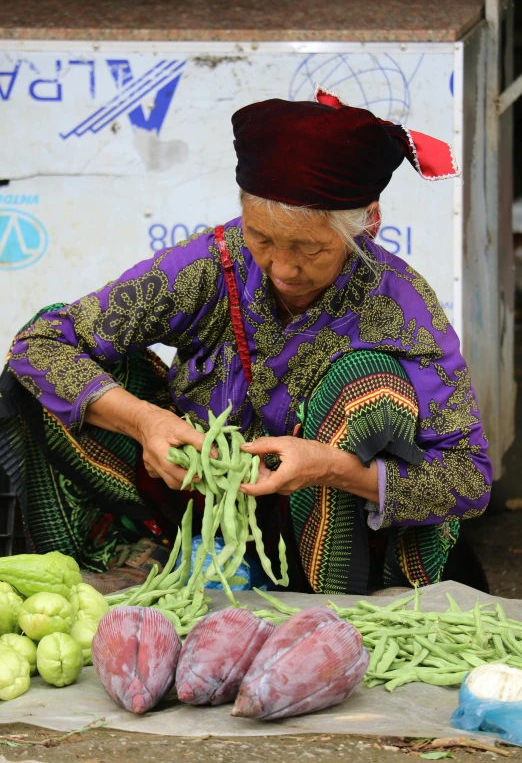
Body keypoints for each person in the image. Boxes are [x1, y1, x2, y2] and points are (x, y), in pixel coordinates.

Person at [0, 88, 492, 596]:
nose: (282, 268)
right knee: (58, 361)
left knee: (365, 388)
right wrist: (147, 422)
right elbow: (41, 343)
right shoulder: (212, 263)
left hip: (329, 522)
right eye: (262, 239)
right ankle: (139, 555)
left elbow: (469, 477)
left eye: (309, 248)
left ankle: (339, 605)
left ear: (367, 224)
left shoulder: (403, 309)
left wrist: (333, 468)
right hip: (191, 494)